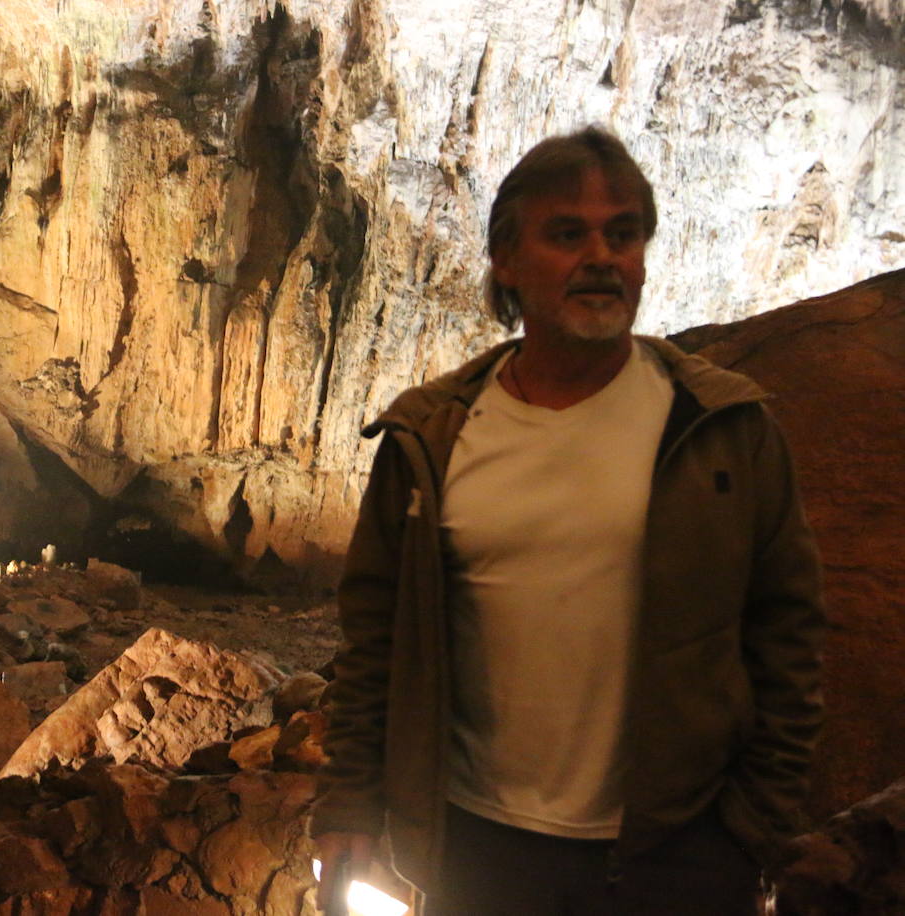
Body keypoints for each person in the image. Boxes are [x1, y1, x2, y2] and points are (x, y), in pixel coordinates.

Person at [310, 127, 825, 915]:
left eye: (623, 233)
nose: (602, 255)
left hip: (680, 852)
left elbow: (785, 630)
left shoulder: (723, 427)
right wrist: (350, 801)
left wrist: (755, 825)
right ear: (506, 263)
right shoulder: (432, 438)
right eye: (567, 234)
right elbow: (376, 636)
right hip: (480, 847)